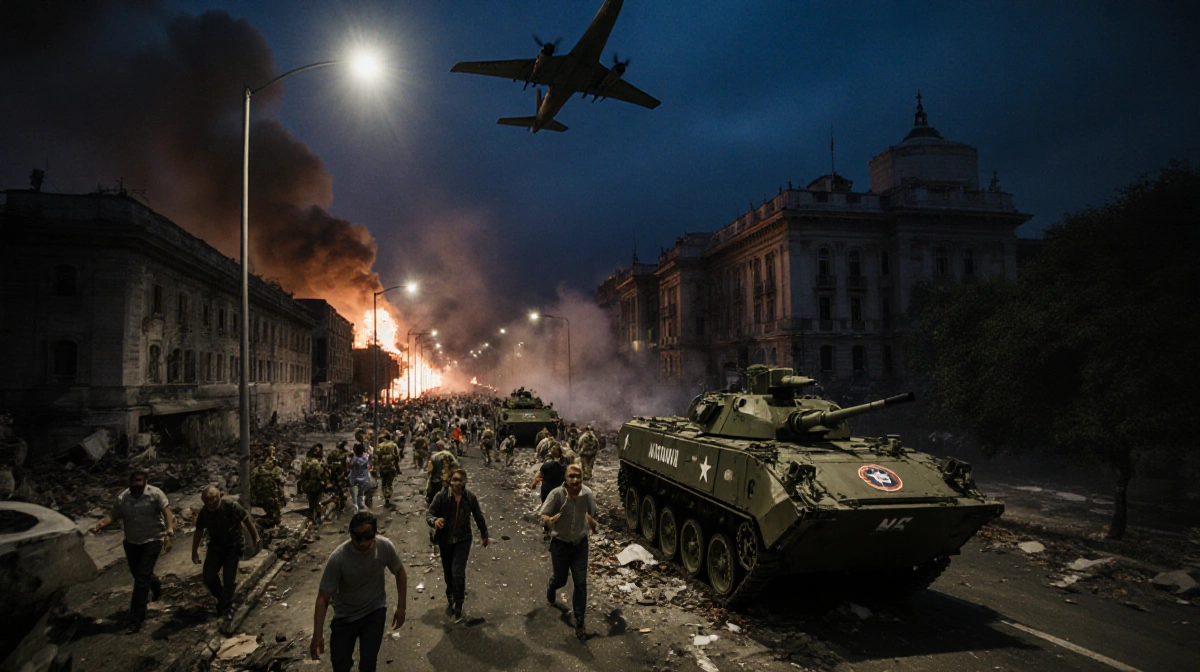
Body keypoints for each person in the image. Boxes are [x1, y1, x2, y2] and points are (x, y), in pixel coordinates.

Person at [311, 511, 407, 672]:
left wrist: (401, 607)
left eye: (367, 537)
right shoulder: (339, 558)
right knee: (340, 665)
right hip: (345, 616)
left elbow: (400, 572)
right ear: (351, 535)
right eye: (358, 538)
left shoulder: (384, 547)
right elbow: (323, 598)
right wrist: (317, 634)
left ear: (374, 534)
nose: (362, 543)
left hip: (374, 611)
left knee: (368, 664)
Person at [90, 469, 176, 633]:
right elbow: (114, 515)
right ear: (129, 482)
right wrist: (101, 524)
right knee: (139, 574)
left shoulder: (155, 494)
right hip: (132, 542)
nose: (136, 484)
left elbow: (166, 512)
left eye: (139, 481)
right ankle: (156, 584)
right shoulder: (123, 498)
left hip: (153, 539)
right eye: (134, 481)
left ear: (145, 481)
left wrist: (169, 532)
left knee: (141, 580)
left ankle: (136, 619)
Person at [540, 464, 598, 640]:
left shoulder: (587, 494)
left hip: (580, 544)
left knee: (580, 582)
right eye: (571, 476)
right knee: (561, 579)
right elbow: (542, 516)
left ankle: (579, 623)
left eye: (578, 477)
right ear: (565, 478)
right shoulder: (557, 495)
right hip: (560, 545)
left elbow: (593, 514)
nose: (575, 480)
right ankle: (552, 585)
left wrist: (592, 523)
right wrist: (549, 521)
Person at [426, 469, 490, 622]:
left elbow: (478, 516)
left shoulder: (470, 497)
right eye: (454, 480)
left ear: (464, 482)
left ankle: (459, 604)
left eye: (459, 480)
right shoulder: (441, 496)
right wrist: (435, 521)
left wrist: (485, 534)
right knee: (448, 573)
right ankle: (450, 594)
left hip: (463, 540)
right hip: (445, 540)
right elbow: (429, 514)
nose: (456, 483)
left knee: (458, 572)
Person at [191, 485, 259, 619]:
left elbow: (246, 520)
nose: (211, 505)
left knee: (229, 579)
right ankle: (223, 599)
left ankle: (227, 607)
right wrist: (194, 552)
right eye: (208, 502)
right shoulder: (204, 512)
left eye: (214, 501)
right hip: (215, 547)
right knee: (208, 577)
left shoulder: (231, 506)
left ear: (220, 498)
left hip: (232, 546)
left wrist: (255, 537)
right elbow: (199, 531)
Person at [530, 443, 568, 541]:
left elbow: (538, 476)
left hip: (546, 488)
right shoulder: (563, 466)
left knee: (546, 508)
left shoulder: (546, 465)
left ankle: (547, 530)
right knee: (557, 509)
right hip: (558, 490)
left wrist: (534, 484)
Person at [250, 456, 286, 528]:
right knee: (275, 516)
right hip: (271, 496)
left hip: (260, 496)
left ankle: (263, 526)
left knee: (273, 514)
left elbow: (252, 482)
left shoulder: (257, 470)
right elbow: (281, 482)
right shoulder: (275, 470)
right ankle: (257, 523)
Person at [299, 444, 329, 525]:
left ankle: (313, 516)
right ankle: (317, 518)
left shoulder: (306, 461)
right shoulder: (316, 462)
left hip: (306, 485)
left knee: (311, 501)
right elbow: (320, 473)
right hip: (315, 485)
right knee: (316, 501)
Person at [374, 432, 401, 507]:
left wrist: (377, 468)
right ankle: (388, 497)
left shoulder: (380, 446)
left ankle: (385, 496)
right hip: (391, 467)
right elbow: (397, 457)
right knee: (389, 483)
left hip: (382, 468)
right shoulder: (394, 445)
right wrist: (397, 468)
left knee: (383, 482)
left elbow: (376, 458)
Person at [326, 441, 350, 514]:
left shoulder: (332, 453)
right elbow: (348, 465)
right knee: (343, 489)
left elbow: (328, 462)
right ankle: (341, 506)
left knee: (336, 487)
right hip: (341, 473)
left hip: (334, 473)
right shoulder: (346, 454)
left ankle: (337, 503)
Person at [348, 443, 372, 511]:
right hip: (365, 478)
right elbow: (369, 466)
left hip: (355, 478)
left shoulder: (354, 459)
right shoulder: (366, 457)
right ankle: (361, 505)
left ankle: (358, 506)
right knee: (361, 493)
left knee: (355, 494)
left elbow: (349, 467)